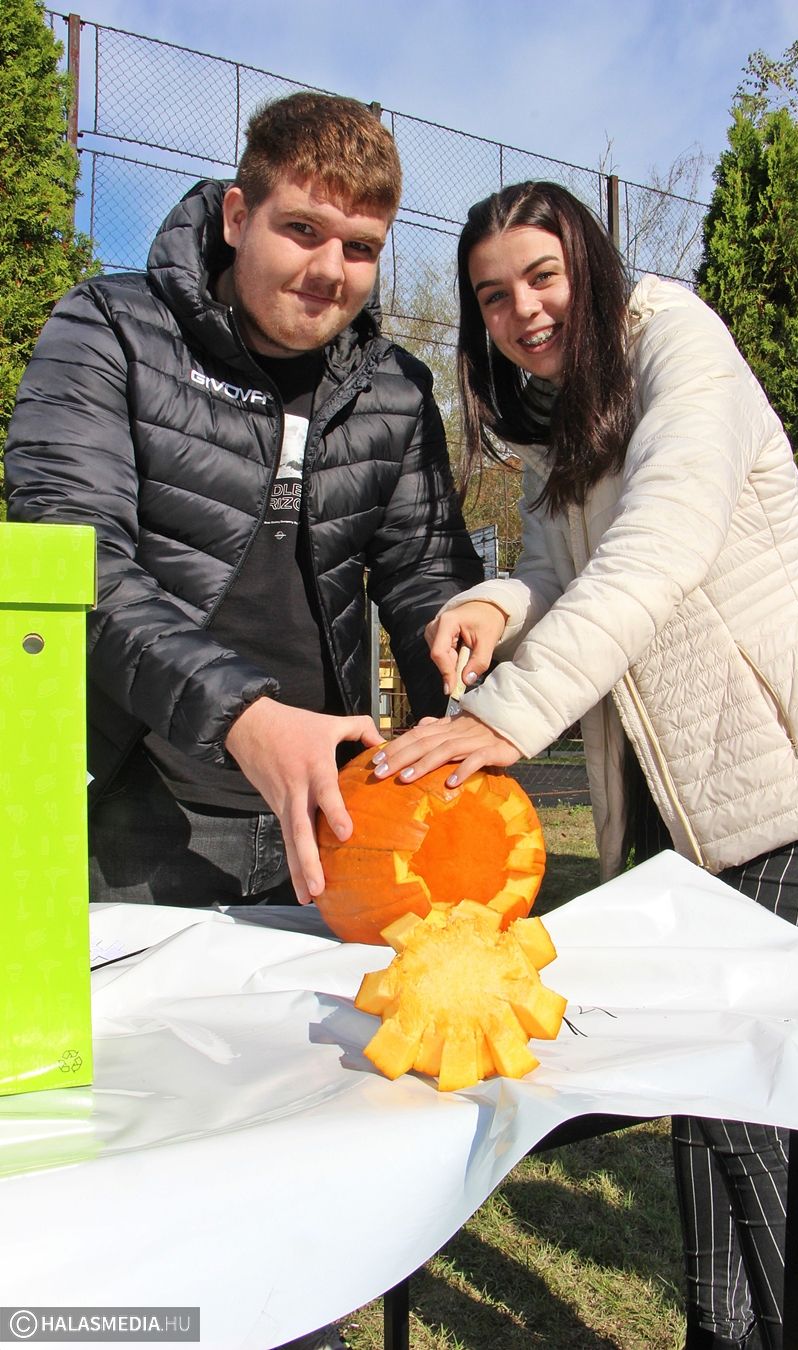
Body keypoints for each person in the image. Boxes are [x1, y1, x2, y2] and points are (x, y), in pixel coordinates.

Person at [372, 180, 798, 1350]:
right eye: (493, 296)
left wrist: (505, 718)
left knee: (757, 1106)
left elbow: (658, 548)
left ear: (592, 265)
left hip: (794, 783)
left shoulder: (681, 348)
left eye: (543, 276)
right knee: (702, 1098)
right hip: (667, 803)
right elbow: (558, 575)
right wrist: (494, 606)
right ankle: (722, 1334)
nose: (523, 311)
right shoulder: (559, 416)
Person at [5, 91, 482, 914]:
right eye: (302, 228)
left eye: (361, 247)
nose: (330, 269)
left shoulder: (396, 389)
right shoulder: (110, 330)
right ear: (236, 217)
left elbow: (424, 577)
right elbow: (75, 564)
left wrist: (463, 706)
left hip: (340, 812)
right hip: (139, 811)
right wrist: (245, 716)